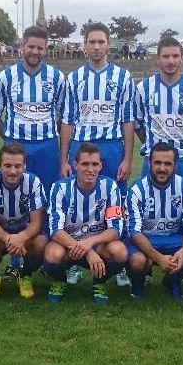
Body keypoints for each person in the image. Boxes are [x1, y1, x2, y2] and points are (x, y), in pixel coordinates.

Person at [59, 22, 134, 287]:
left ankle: (118, 262)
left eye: (101, 42)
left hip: (112, 146)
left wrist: (127, 158)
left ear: (108, 43)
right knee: (77, 205)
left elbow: (127, 120)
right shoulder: (75, 78)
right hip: (82, 144)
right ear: (85, 45)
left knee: (116, 204)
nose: (97, 46)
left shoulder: (123, 77)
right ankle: (75, 262)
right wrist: (65, 158)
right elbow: (67, 120)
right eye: (92, 42)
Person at [43, 142, 128, 304]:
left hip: (96, 244)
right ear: (75, 165)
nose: (90, 169)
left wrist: (90, 243)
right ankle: (60, 280)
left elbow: (115, 230)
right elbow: (55, 230)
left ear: (101, 166)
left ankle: (99, 282)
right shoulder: (59, 188)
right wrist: (87, 252)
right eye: (85, 164)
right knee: (52, 254)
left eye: (95, 164)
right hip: (68, 245)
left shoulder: (110, 187)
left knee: (119, 251)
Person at [125, 142, 183, 300]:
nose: (162, 168)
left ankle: (173, 280)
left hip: (173, 238)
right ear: (149, 163)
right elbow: (133, 232)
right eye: (157, 162)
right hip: (146, 238)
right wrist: (159, 258)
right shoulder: (136, 189)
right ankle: (138, 284)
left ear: (175, 165)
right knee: (137, 261)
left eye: (167, 164)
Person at [0, 25, 66, 197]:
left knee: (47, 192)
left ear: (46, 50)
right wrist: (10, 136)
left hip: (47, 146)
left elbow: (63, 114)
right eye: (31, 47)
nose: (35, 51)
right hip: (15, 143)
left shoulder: (56, 77)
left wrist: (49, 131)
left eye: (40, 48)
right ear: (22, 46)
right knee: (15, 192)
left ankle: (46, 225)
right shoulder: (6, 76)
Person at [0, 143, 48, 299]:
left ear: (24, 165)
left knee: (41, 243)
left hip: (24, 231)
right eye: (7, 165)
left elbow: (36, 223)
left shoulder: (33, 182)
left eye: (18, 166)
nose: (13, 171)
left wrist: (21, 237)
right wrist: (10, 239)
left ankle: (25, 275)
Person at [134, 36, 183, 185]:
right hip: (153, 159)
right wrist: (151, 142)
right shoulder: (144, 88)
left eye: (175, 56)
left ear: (182, 58)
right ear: (158, 59)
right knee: (150, 207)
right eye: (166, 56)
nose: (171, 61)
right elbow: (138, 122)